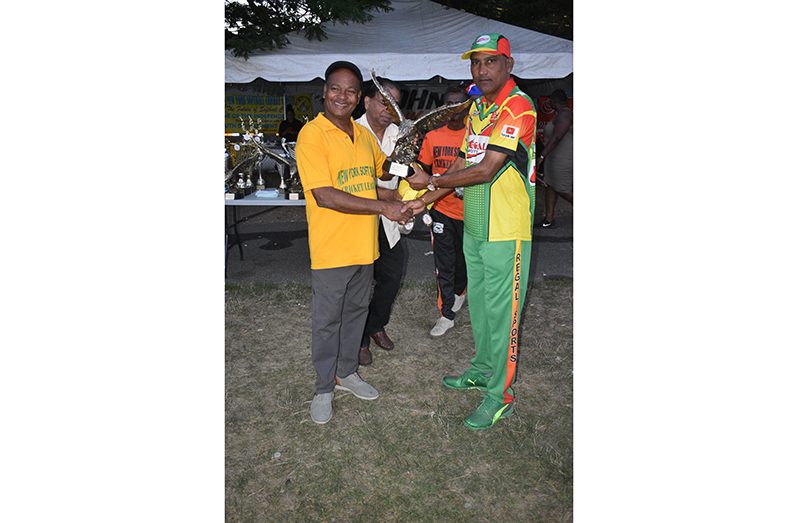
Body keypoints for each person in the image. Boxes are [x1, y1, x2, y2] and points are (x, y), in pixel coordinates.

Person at [405, 33, 537, 430]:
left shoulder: (518, 107)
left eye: (490, 61)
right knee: (478, 307)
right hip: (475, 224)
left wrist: (429, 184)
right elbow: (462, 161)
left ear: (508, 65)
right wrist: (422, 198)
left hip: (506, 229)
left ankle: (501, 396)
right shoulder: (478, 107)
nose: (481, 70)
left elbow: (484, 169)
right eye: (476, 63)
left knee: (503, 315)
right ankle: (481, 370)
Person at [295, 61, 413, 425]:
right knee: (327, 322)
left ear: (359, 97)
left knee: (355, 316)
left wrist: (409, 169)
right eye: (335, 88)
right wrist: (385, 207)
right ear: (325, 91)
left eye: (350, 90)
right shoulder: (312, 135)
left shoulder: (362, 136)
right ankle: (323, 388)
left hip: (365, 247)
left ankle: (347, 374)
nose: (342, 96)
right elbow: (325, 196)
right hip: (332, 250)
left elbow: (380, 172)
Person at [355, 77, 406, 366]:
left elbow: (408, 171)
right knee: (361, 283)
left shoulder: (399, 133)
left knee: (391, 276)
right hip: (358, 219)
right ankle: (359, 340)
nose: (390, 108)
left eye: (395, 103)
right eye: (384, 101)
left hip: (389, 221)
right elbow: (346, 187)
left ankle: (375, 325)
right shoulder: (352, 131)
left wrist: (415, 194)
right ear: (367, 101)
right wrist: (389, 196)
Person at [416, 85, 470, 337]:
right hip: (442, 211)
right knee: (444, 264)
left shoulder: (476, 134)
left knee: (465, 263)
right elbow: (423, 172)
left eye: (458, 104)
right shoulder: (433, 136)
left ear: (467, 105)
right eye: (448, 105)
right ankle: (446, 313)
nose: (453, 110)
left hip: (472, 212)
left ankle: (461, 290)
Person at [537, 89, 572, 228]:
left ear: (555, 101)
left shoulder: (565, 114)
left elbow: (557, 137)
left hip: (562, 157)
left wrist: (542, 155)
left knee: (562, 188)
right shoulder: (559, 114)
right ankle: (548, 219)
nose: (549, 102)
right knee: (550, 186)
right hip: (553, 156)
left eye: (551, 100)